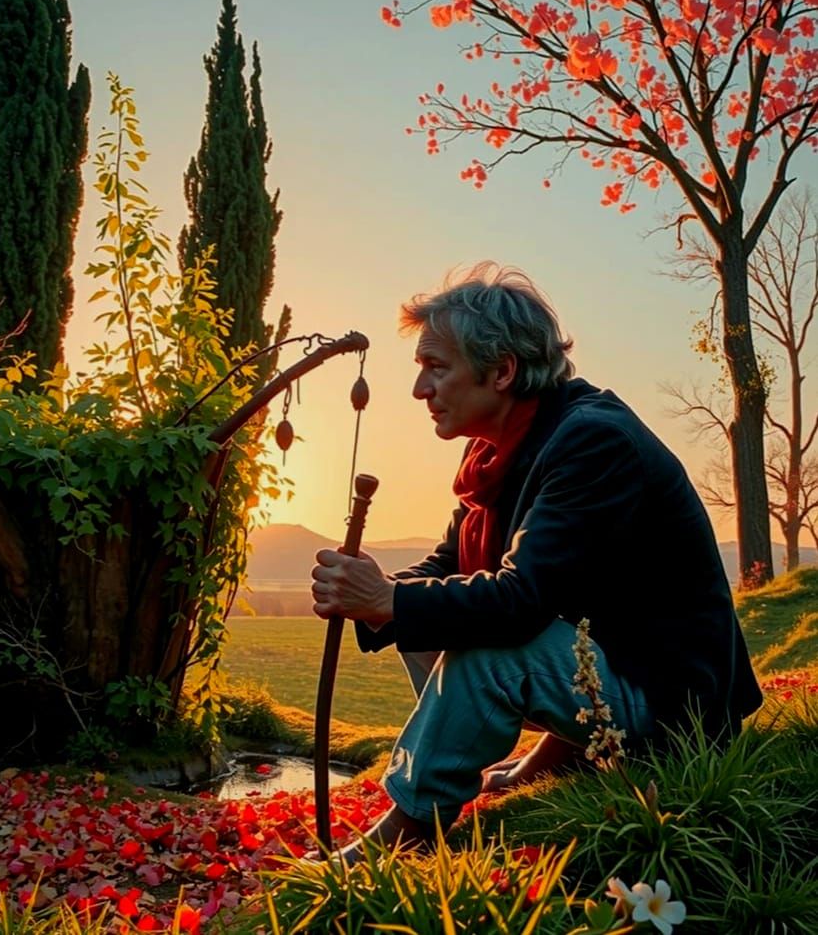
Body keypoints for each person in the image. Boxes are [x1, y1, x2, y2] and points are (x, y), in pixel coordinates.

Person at [310, 261, 762, 862]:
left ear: (502, 371)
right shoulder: (498, 450)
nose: (420, 389)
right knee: (420, 616)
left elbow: (522, 601)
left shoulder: (593, 441)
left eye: (436, 368)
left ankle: (415, 824)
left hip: (674, 707)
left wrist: (387, 598)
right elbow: (451, 565)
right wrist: (375, 593)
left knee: (486, 643)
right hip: (608, 664)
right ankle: (559, 754)